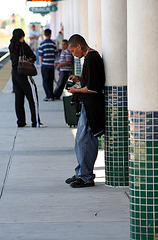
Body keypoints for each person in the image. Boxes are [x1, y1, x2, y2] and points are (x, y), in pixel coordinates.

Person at [65, 34, 105, 188]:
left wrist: (76, 90)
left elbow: (93, 88)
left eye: (73, 51)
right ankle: (81, 172)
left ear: (80, 47)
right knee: (80, 141)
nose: (73, 54)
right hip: (88, 105)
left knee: (85, 141)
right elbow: (90, 80)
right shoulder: (89, 58)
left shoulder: (92, 59)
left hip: (91, 106)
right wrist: (79, 79)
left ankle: (86, 176)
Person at [9, 28, 45, 128]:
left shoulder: (11, 46)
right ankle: (36, 122)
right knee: (33, 98)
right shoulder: (23, 46)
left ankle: (21, 122)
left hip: (15, 74)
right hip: (24, 74)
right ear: (21, 36)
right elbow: (33, 57)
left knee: (19, 99)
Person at [38, 29, 58, 101]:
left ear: (44, 34)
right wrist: (52, 60)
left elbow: (41, 55)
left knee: (45, 81)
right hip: (51, 64)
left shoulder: (42, 44)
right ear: (50, 34)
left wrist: (41, 64)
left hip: (45, 65)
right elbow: (56, 54)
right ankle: (51, 95)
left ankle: (48, 95)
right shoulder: (53, 43)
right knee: (50, 80)